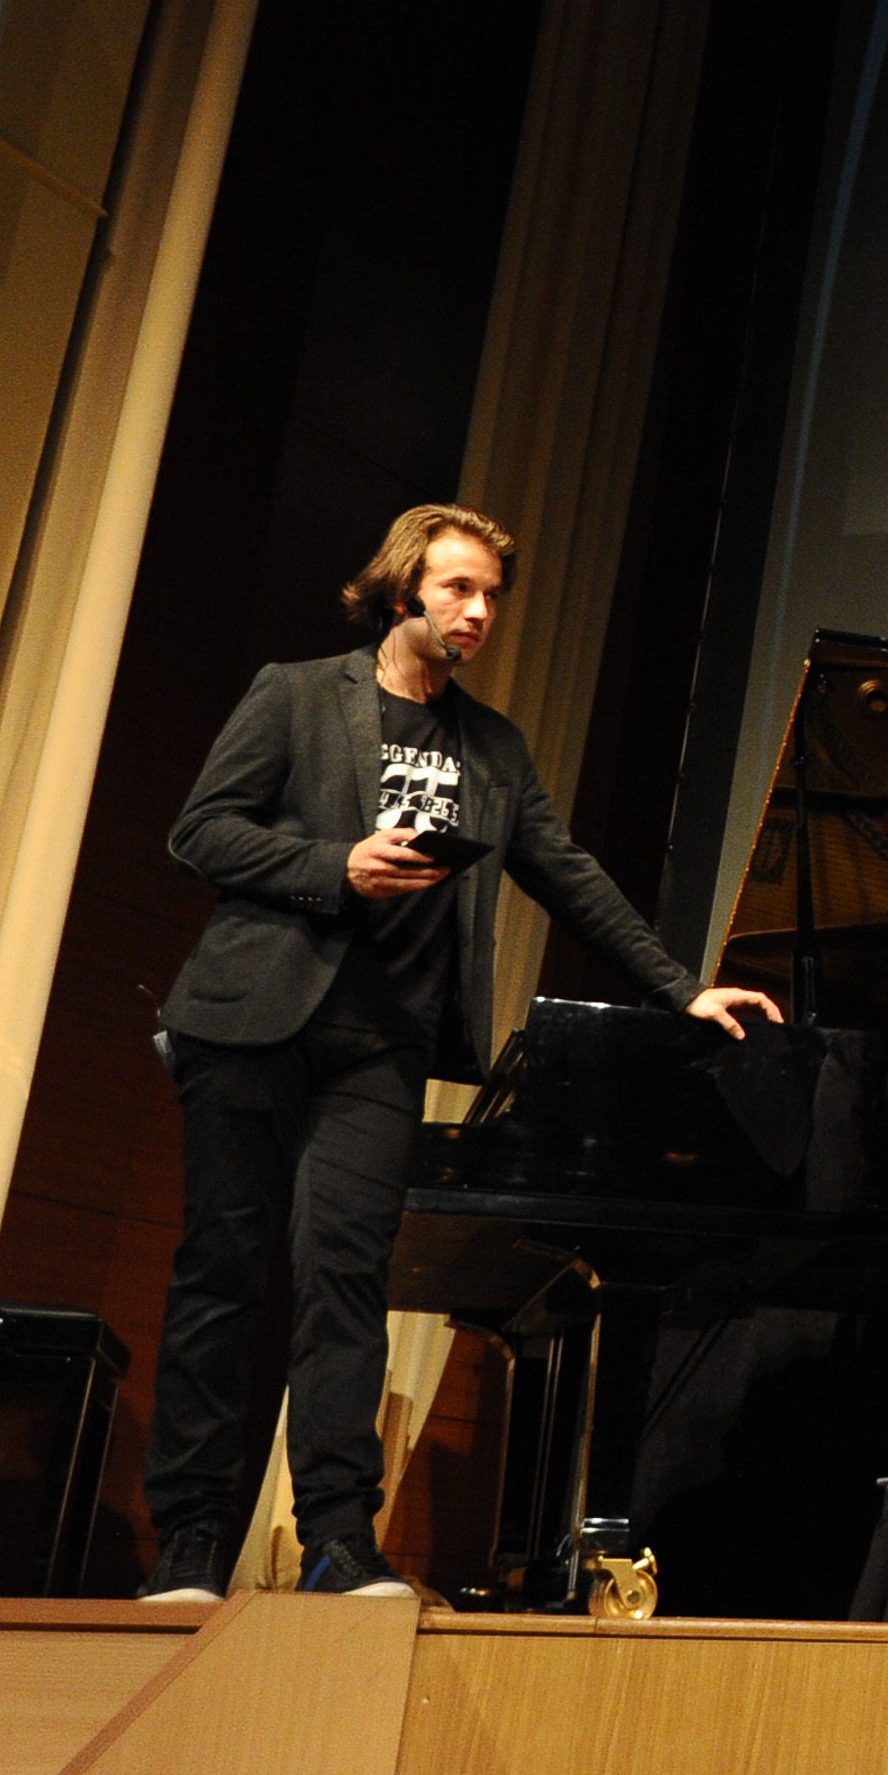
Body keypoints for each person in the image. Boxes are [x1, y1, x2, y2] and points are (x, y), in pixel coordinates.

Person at [135, 504, 776, 1601]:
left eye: (490, 597)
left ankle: (338, 1540)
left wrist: (681, 986)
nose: (479, 612)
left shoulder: (493, 747)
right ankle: (191, 1538)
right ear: (403, 592)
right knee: (223, 1272)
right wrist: (336, 865)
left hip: (380, 1044)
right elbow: (201, 831)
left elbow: (568, 874)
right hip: (250, 1024)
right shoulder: (298, 694)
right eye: (458, 589)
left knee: (347, 1281)